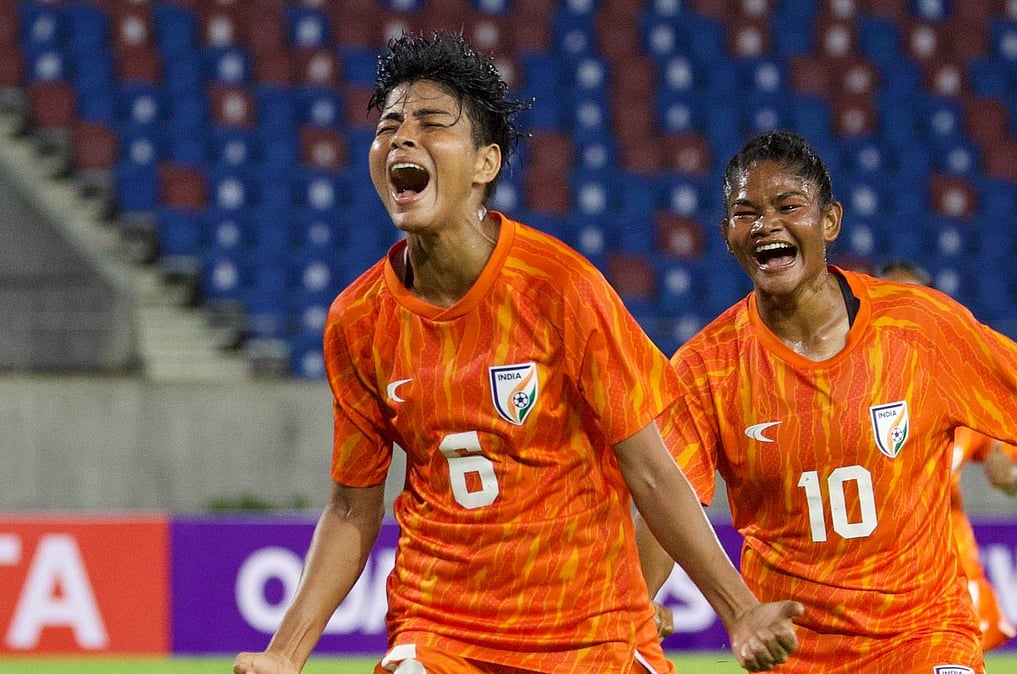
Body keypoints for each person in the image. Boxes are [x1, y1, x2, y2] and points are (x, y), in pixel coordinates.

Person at [231, 33, 802, 674]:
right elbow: (350, 507)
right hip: (442, 629)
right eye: (389, 125)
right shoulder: (358, 319)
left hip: (588, 632)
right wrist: (284, 654)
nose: (402, 138)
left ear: (485, 164)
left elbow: (652, 472)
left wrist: (738, 609)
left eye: (431, 123)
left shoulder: (560, 287)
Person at [636, 130, 1017, 673]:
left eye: (788, 206)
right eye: (745, 213)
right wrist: (637, 602)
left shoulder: (918, 326)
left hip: (925, 633)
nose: (765, 225)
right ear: (727, 235)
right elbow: (667, 492)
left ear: (830, 221)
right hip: (794, 650)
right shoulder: (708, 367)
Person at [878, 259, 1017, 651]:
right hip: (875, 576)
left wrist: (1009, 476)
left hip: (951, 571)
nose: (902, 312)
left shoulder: (964, 388)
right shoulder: (849, 387)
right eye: (889, 299)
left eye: (913, 300)